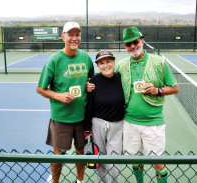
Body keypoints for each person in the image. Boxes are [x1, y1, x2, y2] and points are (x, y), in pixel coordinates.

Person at [116, 27, 179, 183]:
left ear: (142, 41)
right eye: (128, 44)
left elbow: (175, 88)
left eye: (135, 42)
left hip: (153, 123)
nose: (132, 46)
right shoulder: (121, 65)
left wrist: (157, 90)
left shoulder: (159, 62)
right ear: (125, 47)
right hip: (129, 122)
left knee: (157, 163)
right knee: (135, 160)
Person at [36, 22, 94, 183]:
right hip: (61, 118)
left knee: (81, 150)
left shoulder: (86, 58)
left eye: (77, 35)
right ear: (63, 37)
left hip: (83, 117)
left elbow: (90, 80)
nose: (74, 38)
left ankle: (80, 181)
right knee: (59, 153)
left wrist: (90, 85)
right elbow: (40, 89)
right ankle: (55, 181)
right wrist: (59, 96)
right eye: (70, 34)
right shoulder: (53, 60)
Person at [84, 50, 125, 183]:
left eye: (108, 61)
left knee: (113, 163)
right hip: (98, 125)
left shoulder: (122, 78)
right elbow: (89, 106)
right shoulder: (93, 81)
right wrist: (87, 129)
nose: (105, 65)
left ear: (114, 62)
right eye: (102, 63)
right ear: (98, 66)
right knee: (99, 162)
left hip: (117, 126)